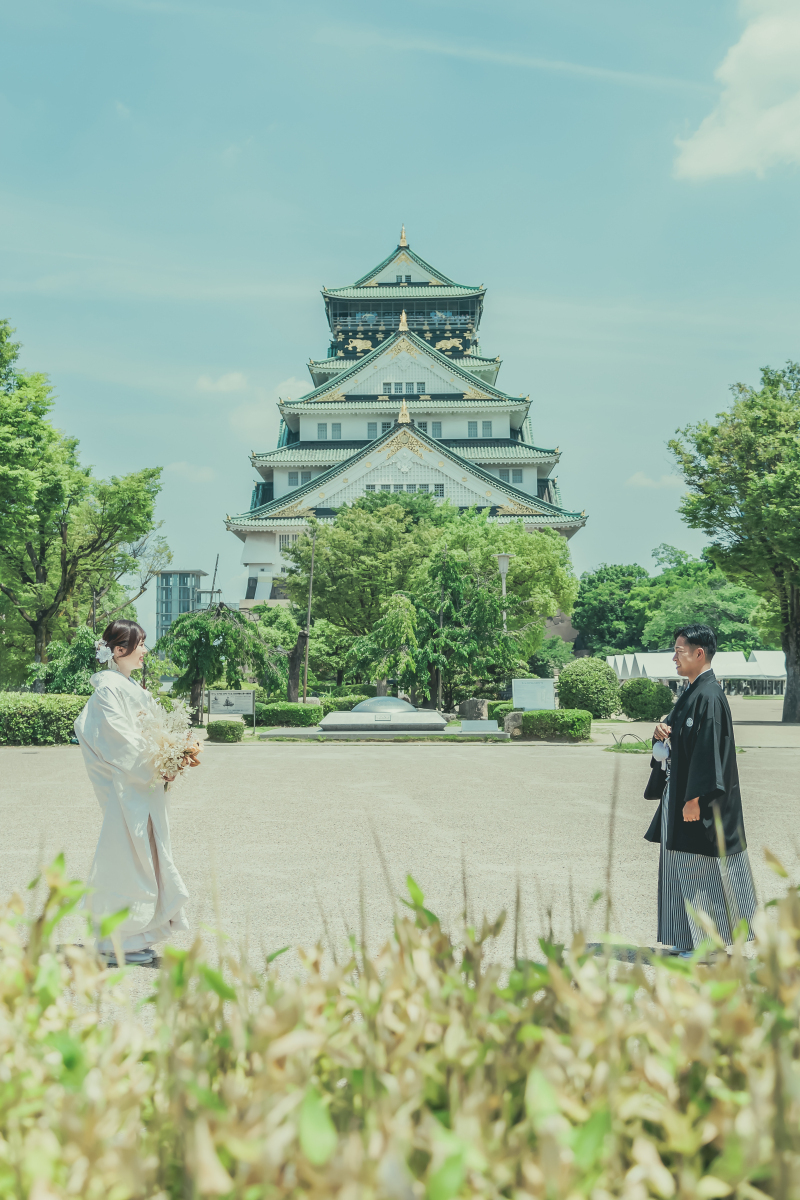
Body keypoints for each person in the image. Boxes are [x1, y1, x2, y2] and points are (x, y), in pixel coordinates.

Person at [74, 619, 191, 965]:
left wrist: (171, 754)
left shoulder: (127, 686)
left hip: (141, 785)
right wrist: (159, 762)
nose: (145, 651)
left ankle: (134, 936)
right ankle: (115, 940)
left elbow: (146, 734)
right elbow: (119, 740)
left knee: (144, 855)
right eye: (140, 644)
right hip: (128, 786)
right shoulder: (108, 690)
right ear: (119, 650)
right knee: (126, 857)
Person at [644, 623, 757, 956]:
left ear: (699, 653)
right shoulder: (692, 692)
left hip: (699, 800)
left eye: (679, 652)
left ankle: (710, 945)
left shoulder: (709, 695)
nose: (674, 658)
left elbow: (708, 751)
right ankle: (686, 936)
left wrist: (694, 798)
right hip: (678, 792)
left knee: (702, 869)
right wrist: (662, 730)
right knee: (679, 866)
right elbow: (681, 737)